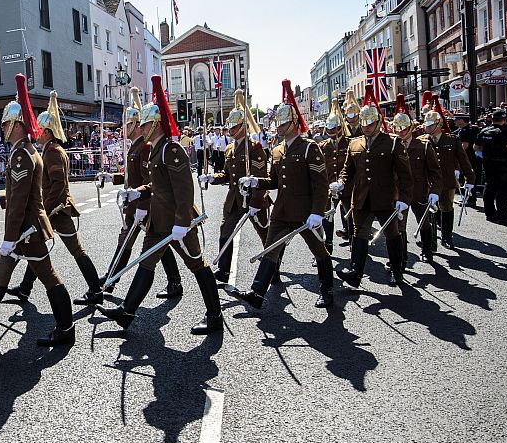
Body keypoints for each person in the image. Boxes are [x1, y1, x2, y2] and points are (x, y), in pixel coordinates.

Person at [0, 74, 75, 348]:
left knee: (50, 278)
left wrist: (9, 238)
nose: (4, 127)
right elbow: (20, 193)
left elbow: (21, 201)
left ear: (17, 124)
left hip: (27, 231)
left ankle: (66, 328)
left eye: (7, 122)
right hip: (25, 229)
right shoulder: (28, 150)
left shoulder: (21, 154)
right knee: (2, 272)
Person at [98, 75, 223, 335]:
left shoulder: (171, 149)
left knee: (197, 265)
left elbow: (184, 190)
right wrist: (138, 192)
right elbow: (157, 186)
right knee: (146, 263)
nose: (140, 128)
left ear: (155, 125)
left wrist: (182, 222)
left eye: (144, 124)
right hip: (159, 220)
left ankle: (215, 315)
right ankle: (127, 312)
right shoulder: (156, 149)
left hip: (177, 222)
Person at [230, 80, 334, 309]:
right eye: (278, 124)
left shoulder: (309, 148)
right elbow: (275, 181)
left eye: (284, 124)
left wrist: (318, 211)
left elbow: (321, 184)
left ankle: (327, 289)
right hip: (282, 210)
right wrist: (256, 182)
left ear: (294, 123)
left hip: (306, 212)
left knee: (319, 251)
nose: (279, 128)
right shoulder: (277, 150)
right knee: (271, 248)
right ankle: (257, 292)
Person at [7, 90, 104, 306]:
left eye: (40, 130)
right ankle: (25, 288)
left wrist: (46, 210)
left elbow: (58, 185)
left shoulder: (52, 152)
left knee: (76, 251)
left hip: (58, 210)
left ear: (48, 132)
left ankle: (95, 290)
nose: (36, 133)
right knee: (34, 248)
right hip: (54, 208)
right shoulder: (51, 149)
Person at [104, 87, 183, 299]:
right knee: (159, 246)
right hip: (136, 202)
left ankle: (110, 281)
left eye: (127, 124)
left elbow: (151, 182)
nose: (124, 128)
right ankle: (174, 282)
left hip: (144, 205)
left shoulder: (145, 148)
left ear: (136, 125)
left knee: (135, 243)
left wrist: (141, 207)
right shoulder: (135, 147)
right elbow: (135, 177)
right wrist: (115, 178)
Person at [334, 87, 413, 288]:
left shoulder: (393, 143)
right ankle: (356, 272)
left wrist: (404, 198)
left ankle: (396, 270)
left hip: (385, 197)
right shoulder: (354, 144)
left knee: (392, 234)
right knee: (359, 234)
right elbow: (347, 170)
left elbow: (405, 175)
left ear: (378, 122)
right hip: (361, 197)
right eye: (364, 123)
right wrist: (341, 183)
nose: (367, 127)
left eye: (370, 123)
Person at [200, 89, 270, 283]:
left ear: (242, 126)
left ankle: (274, 269)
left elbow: (262, 176)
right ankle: (223, 269)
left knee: (264, 233)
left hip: (253, 198)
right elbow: (226, 175)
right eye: (229, 127)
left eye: (234, 127)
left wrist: (257, 200)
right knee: (226, 231)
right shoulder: (230, 148)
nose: (230, 130)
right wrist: (211, 178)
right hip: (234, 199)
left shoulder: (254, 148)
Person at [390, 94, 442, 267]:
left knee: (424, 223)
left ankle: (427, 251)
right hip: (400, 193)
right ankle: (401, 258)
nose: (400, 132)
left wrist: (434, 192)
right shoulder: (391, 147)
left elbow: (435, 172)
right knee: (399, 227)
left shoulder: (423, 146)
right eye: (397, 128)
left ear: (411, 127)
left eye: (403, 128)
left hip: (420, 191)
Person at [422, 96, 474, 248]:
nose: (427, 127)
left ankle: (446, 236)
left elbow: (464, 161)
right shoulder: (422, 140)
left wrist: (470, 178)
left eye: (431, 124)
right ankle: (430, 240)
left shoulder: (452, 140)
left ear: (438, 124)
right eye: (427, 124)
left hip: (446, 180)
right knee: (428, 209)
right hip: (427, 181)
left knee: (446, 207)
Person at [475, 109, 507, 224]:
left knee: (490, 187)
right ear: (504, 120)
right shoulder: (506, 131)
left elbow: (476, 147)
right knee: (503, 189)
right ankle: (503, 215)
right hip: (503, 163)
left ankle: (490, 213)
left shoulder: (484, 130)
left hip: (488, 163)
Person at [322, 96, 352, 248]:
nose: (331, 131)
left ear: (340, 128)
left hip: (346, 186)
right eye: (329, 128)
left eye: (334, 128)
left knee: (351, 215)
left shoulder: (350, 143)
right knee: (327, 216)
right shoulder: (323, 146)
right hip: (329, 186)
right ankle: (327, 245)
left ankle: (354, 245)